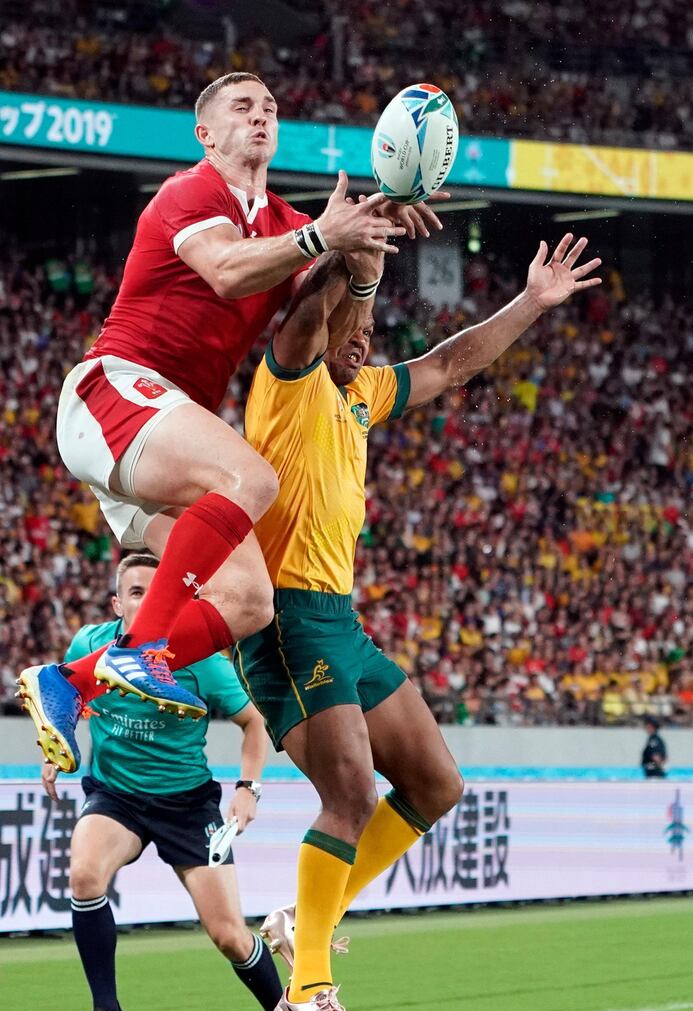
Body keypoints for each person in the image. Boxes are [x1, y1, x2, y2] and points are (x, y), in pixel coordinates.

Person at [237, 231, 602, 1011]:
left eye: (372, 322)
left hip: (340, 618)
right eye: (353, 319)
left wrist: (531, 303)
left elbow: (449, 364)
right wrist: (346, 259)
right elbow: (299, 319)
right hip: (288, 618)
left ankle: (304, 920)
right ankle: (310, 989)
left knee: (436, 784)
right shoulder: (286, 381)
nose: (365, 335)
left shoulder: (360, 391)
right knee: (354, 796)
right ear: (324, 317)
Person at [17, 70, 439, 776]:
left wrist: (368, 244)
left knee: (249, 600)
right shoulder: (191, 192)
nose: (261, 117)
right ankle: (142, 656)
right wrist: (319, 238)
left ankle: (73, 682)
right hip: (114, 392)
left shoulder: (282, 222)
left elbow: (329, 329)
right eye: (242, 108)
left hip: (158, 436)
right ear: (206, 134)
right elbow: (223, 270)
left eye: (271, 107)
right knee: (251, 475)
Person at [44, 553, 318, 1011]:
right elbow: (67, 698)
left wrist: (247, 788)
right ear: (117, 603)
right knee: (83, 875)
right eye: (137, 591)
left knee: (228, 935)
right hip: (116, 797)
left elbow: (254, 722)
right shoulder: (89, 647)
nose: (149, 600)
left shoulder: (198, 659)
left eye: (159, 590)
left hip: (187, 806)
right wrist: (57, 747)